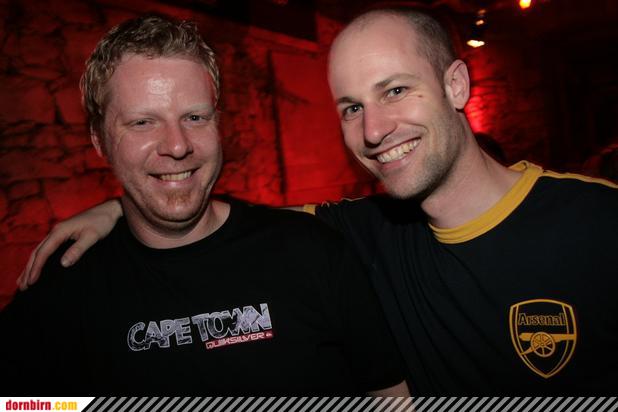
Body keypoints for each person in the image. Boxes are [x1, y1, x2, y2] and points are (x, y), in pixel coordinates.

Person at [17, 8, 618, 394]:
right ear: (100, 140)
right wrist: (124, 205)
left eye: (396, 90)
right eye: (352, 107)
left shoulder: (598, 224)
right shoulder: (364, 233)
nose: (374, 129)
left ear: (456, 85)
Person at [0, 14, 409, 396]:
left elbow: (389, 397)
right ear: (100, 141)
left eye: (195, 117)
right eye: (143, 122)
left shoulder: (313, 251)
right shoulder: (62, 286)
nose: (177, 146)